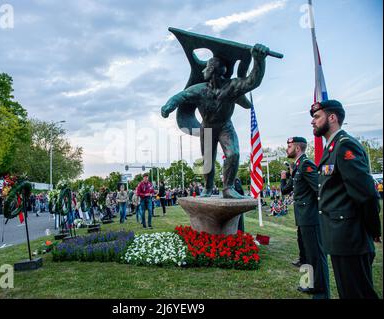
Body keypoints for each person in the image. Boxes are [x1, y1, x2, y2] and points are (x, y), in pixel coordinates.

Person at [161, 44, 270, 199]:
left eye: (206, 68)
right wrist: (168, 106)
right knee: (208, 161)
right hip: (207, 128)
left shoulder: (231, 87)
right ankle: (207, 188)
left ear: (212, 71)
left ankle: (228, 188)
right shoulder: (200, 89)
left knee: (234, 154)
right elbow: (181, 96)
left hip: (225, 126)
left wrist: (259, 60)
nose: (203, 71)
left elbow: (253, 81)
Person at [311, 99, 381, 299]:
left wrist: (373, 230)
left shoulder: (344, 146)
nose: (313, 122)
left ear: (332, 118)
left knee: (358, 293)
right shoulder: (331, 147)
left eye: (317, 116)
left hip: (351, 237)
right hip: (341, 237)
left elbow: (366, 194)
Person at [281, 136, 330, 298]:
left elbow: (319, 188)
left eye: (289, 146)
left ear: (297, 148)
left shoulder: (306, 164)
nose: (287, 149)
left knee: (315, 254)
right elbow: (286, 190)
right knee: (307, 254)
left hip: (310, 217)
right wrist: (284, 178)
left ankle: (320, 289)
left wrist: (322, 212)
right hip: (303, 217)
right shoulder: (297, 166)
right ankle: (308, 284)